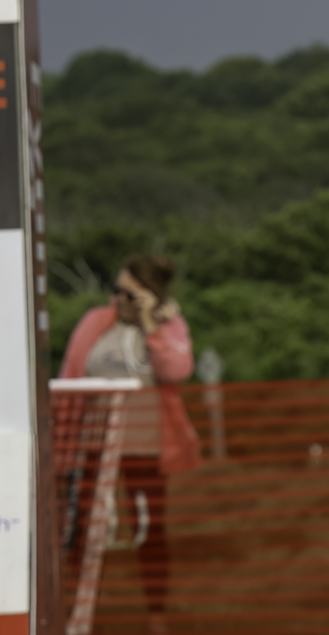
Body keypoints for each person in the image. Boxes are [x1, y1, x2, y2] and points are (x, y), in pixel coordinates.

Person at [58, 255, 200, 624]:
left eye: (130, 294)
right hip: (93, 445)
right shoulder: (95, 323)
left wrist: (152, 324)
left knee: (150, 531)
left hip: (145, 447)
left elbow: (176, 370)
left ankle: (156, 616)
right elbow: (72, 373)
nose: (119, 299)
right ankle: (78, 610)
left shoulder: (168, 327)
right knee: (85, 529)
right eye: (116, 291)